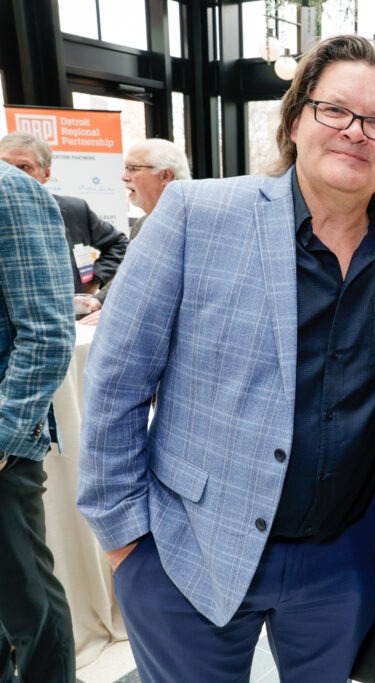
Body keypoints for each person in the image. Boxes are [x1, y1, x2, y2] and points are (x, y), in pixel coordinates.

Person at [77, 34, 375, 681]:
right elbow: (115, 380)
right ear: (297, 120)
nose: (355, 132)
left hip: (341, 564)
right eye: (334, 110)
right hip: (190, 551)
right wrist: (126, 541)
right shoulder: (196, 214)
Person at [0, 160, 76, 682]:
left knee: (27, 603)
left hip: (3, 450)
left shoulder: (9, 191)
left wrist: (4, 435)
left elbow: (48, 333)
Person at [74, 138, 193, 320]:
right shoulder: (142, 223)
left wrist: (121, 314)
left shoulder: (195, 225)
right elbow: (129, 275)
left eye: (133, 168)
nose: (124, 177)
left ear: (165, 176)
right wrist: (99, 301)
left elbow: (180, 292)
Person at [0, 132, 128, 296]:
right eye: (4, 165)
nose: (12, 175)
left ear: (46, 174)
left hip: (68, 314)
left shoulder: (74, 210)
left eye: (24, 167)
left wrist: (96, 278)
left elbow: (119, 244)